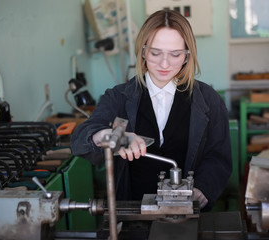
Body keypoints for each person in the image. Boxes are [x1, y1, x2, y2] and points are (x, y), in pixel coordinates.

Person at [70, 9, 232, 211]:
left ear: (187, 56)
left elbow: (218, 156)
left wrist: (202, 189)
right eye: (155, 53)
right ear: (144, 51)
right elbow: (79, 141)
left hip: (186, 212)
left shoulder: (209, 100)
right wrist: (108, 135)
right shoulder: (118, 98)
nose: (164, 63)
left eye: (175, 54)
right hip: (132, 212)